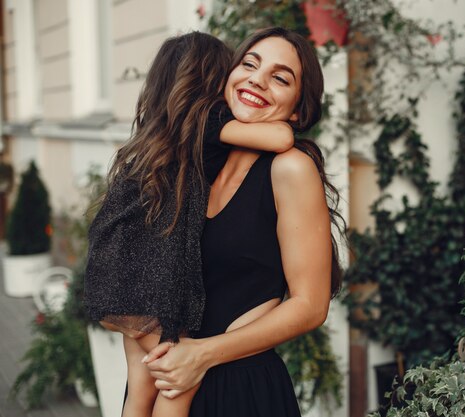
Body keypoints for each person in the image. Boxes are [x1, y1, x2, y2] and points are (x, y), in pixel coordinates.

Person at [84, 32, 298, 417]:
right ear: (213, 79)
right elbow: (280, 135)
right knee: (178, 381)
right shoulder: (206, 120)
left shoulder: (157, 134)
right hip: (146, 282)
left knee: (140, 382)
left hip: (115, 271)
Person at [140, 27, 344, 417]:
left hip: (238, 390)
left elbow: (310, 304)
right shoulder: (197, 163)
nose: (257, 79)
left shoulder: (290, 169)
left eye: (281, 78)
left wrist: (202, 354)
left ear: (298, 109)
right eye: (249, 63)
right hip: (169, 382)